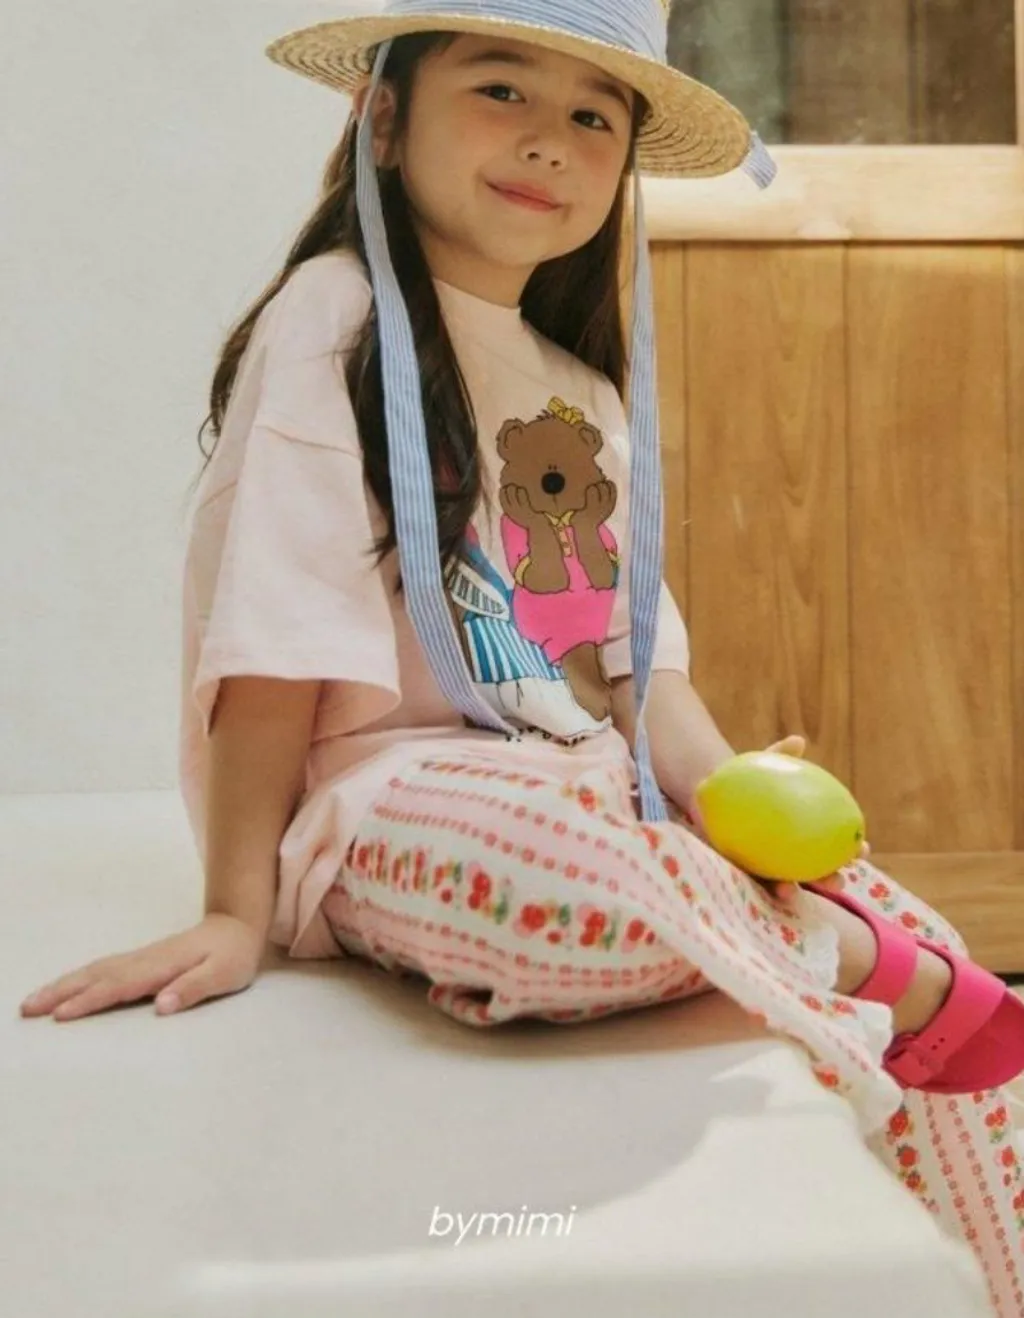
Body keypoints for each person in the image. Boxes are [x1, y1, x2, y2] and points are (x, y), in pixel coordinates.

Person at [20, 2, 1024, 1311]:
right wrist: (232, 908)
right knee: (584, 866)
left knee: (905, 918)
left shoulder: (578, 389)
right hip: (386, 800)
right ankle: (843, 963)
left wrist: (736, 803)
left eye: (593, 116)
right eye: (502, 90)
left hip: (586, 783)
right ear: (385, 120)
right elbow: (276, 640)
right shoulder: (335, 316)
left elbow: (636, 670)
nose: (550, 140)